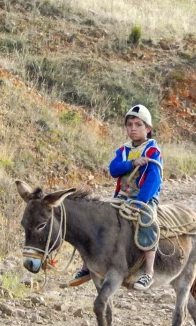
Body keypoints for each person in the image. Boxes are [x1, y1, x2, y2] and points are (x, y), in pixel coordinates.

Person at [69, 104, 163, 291]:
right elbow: (113, 170)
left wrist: (141, 202)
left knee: (147, 222)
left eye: (138, 124)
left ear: (148, 129)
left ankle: (149, 272)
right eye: (129, 125)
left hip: (143, 199)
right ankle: (88, 266)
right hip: (121, 197)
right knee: (95, 221)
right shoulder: (123, 150)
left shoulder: (153, 151)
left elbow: (154, 179)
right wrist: (132, 163)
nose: (133, 128)